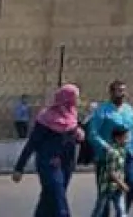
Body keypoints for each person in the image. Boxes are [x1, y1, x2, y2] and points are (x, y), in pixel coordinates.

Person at [12, 84, 85, 217]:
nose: (77, 102)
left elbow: (70, 136)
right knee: (59, 202)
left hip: (66, 164)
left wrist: (78, 134)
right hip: (49, 163)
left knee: (48, 200)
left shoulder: (72, 114)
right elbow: (32, 143)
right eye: (75, 98)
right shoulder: (46, 118)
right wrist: (19, 168)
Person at [87, 81, 133, 211]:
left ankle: (123, 212)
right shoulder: (102, 110)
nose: (122, 94)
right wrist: (106, 146)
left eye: (123, 90)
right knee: (106, 191)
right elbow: (92, 133)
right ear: (111, 93)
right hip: (106, 156)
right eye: (118, 91)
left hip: (127, 154)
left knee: (132, 185)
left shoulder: (129, 109)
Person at [91, 126, 131, 217]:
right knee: (99, 209)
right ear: (117, 138)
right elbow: (111, 172)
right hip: (107, 187)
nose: (127, 140)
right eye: (125, 138)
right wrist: (122, 184)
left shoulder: (122, 150)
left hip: (117, 187)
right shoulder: (112, 152)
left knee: (121, 210)